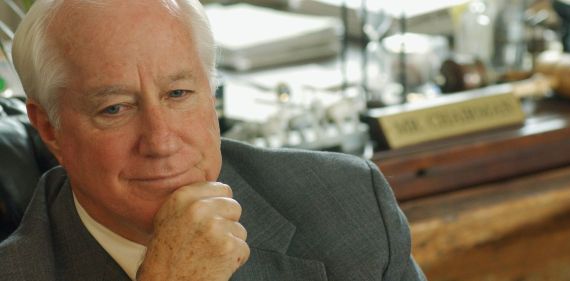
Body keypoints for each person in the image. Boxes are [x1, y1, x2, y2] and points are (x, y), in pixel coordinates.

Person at [0, 0, 426, 280]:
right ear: (50, 128)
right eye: (115, 108)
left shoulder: (346, 202)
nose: (161, 141)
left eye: (179, 94)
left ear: (212, 92)